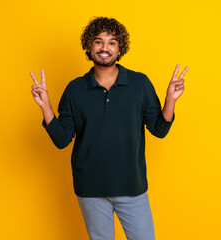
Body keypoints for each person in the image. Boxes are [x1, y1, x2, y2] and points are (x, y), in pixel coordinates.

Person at [30, 16, 188, 240]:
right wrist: (46, 106)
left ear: (120, 48)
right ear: (88, 46)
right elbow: (62, 139)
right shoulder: (75, 89)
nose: (105, 47)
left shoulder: (139, 83)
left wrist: (170, 100)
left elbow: (159, 130)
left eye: (112, 42)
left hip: (131, 185)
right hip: (90, 189)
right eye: (99, 41)